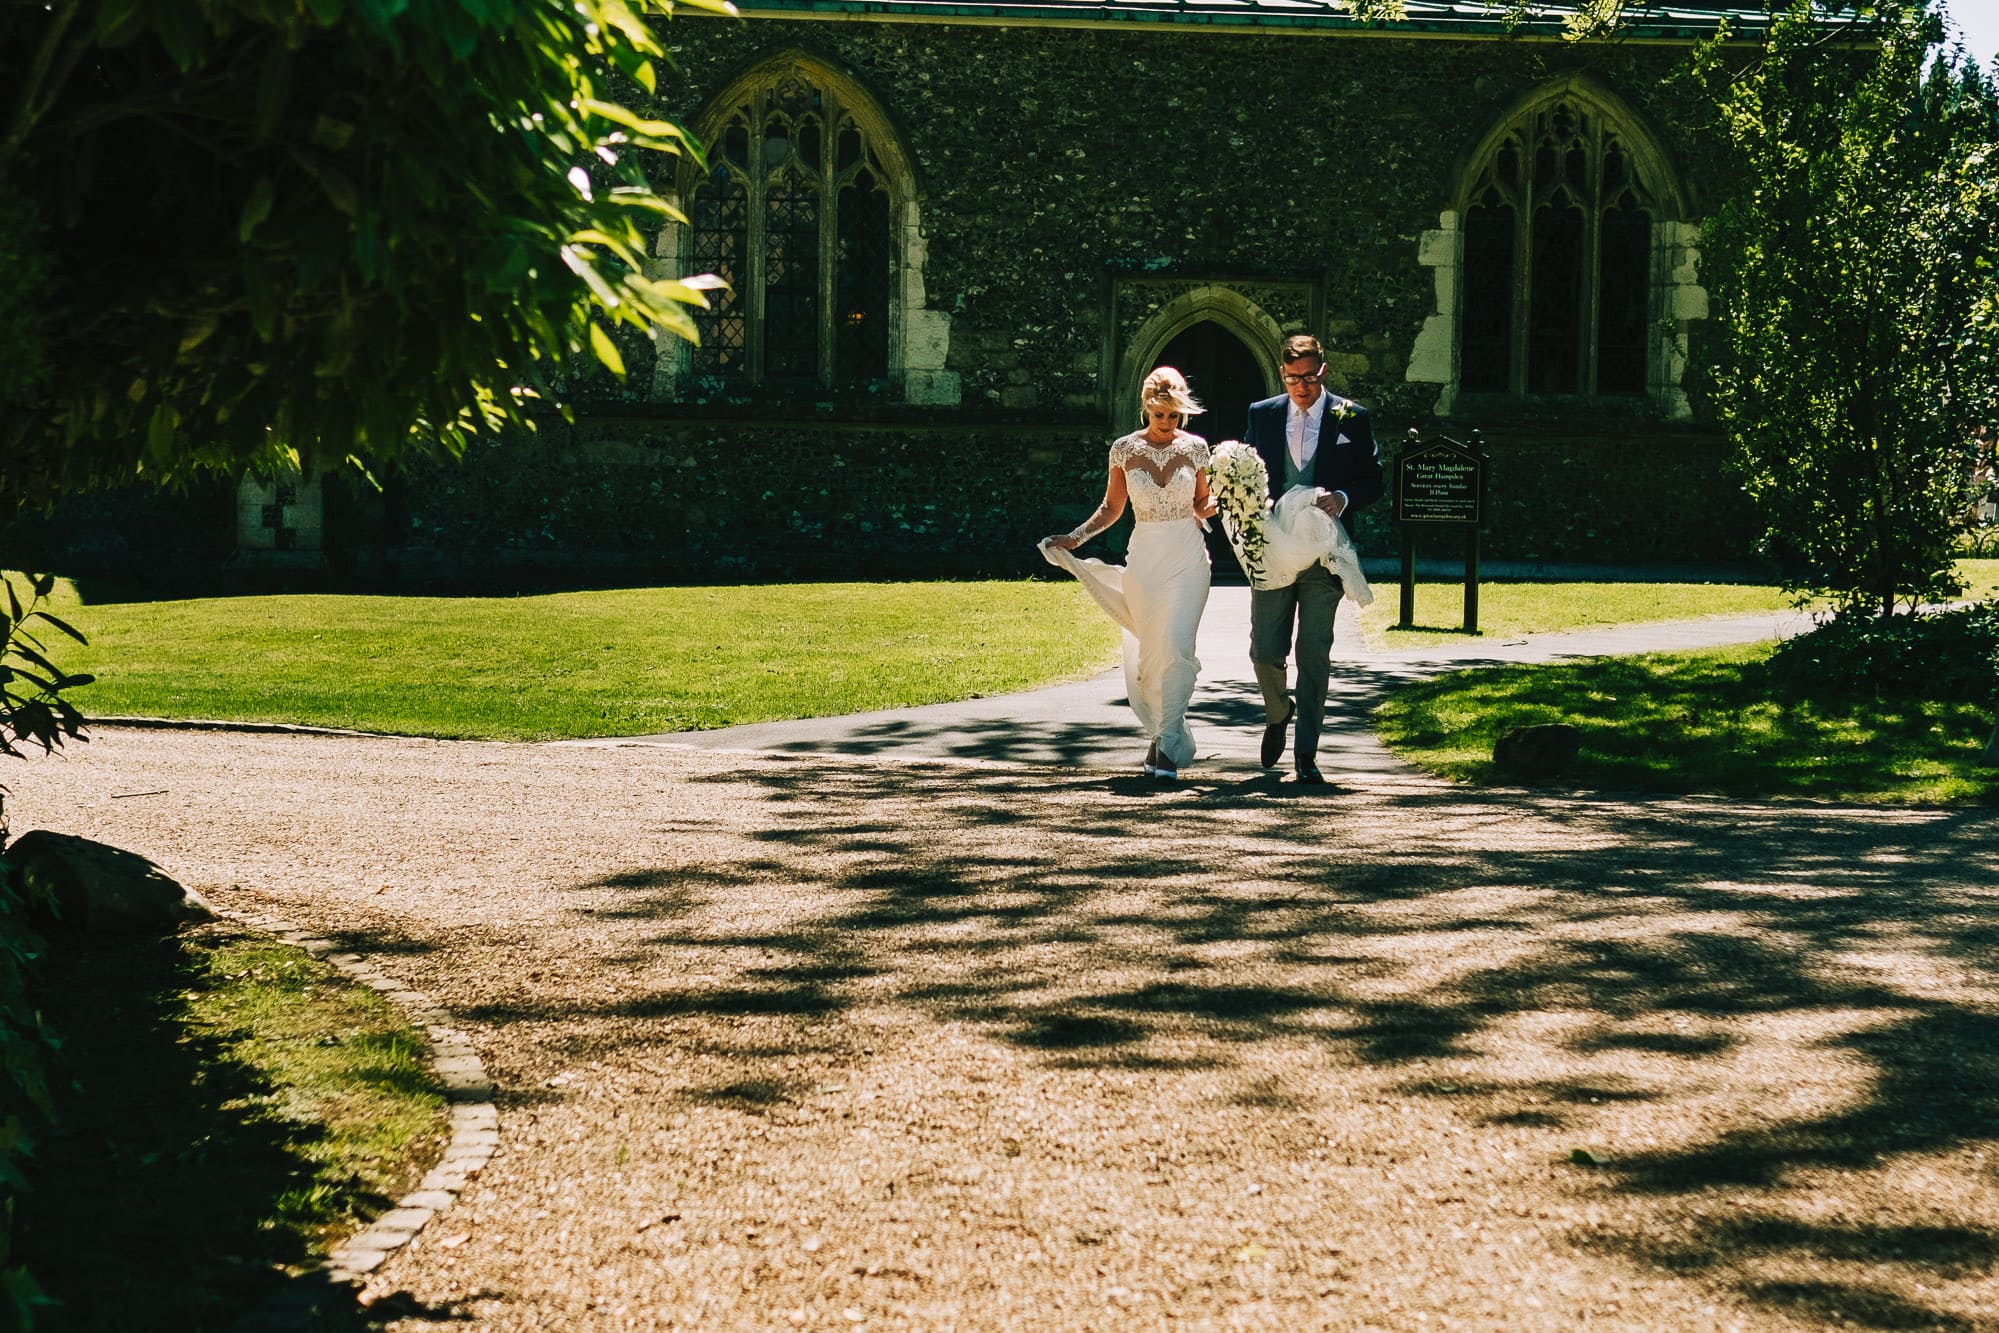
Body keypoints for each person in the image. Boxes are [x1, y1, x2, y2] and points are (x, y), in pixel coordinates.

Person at [1040, 367, 1219, 780]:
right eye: (1160, 415)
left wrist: (1216, 504)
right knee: (1153, 655)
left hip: (1188, 559)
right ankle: (1161, 734)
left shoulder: (1195, 449)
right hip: (1145, 561)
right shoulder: (1123, 450)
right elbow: (1112, 508)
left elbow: (1201, 503)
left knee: (1176, 649)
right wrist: (1074, 538)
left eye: (1174, 416)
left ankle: (1170, 748)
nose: (1167, 424)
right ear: (1146, 407)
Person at [1242, 334, 1384, 784]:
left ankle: (1306, 755)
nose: (1300, 386)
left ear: (1322, 371)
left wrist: (1342, 497)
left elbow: (1374, 480)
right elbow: (1248, 475)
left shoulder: (1352, 417)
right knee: (1265, 650)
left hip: (1324, 552)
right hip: (1274, 550)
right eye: (1291, 378)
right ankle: (1279, 710)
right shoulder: (1262, 415)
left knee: (1313, 652)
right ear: (1281, 374)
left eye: (1307, 377)